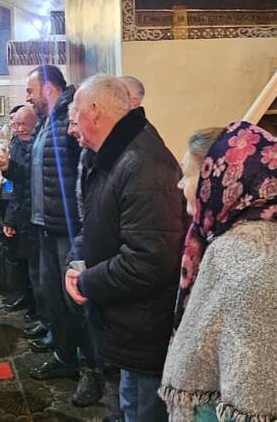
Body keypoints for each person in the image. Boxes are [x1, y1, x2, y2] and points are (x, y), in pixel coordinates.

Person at [160, 122, 277, 421]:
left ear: (221, 181)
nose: (180, 184)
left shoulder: (238, 256)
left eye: (188, 174)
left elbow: (252, 395)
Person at [63, 75, 184, 422]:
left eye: (76, 115)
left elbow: (149, 260)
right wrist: (76, 262)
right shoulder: (110, 156)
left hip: (145, 327)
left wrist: (86, 281)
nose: (71, 128)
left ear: (95, 111)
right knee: (129, 405)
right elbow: (96, 225)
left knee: (143, 409)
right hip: (125, 321)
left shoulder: (144, 163)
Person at [0, 65, 99, 406]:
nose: (28, 97)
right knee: (53, 296)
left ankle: (91, 371)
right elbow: (37, 175)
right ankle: (65, 357)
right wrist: (11, 169)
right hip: (46, 225)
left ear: (48, 88)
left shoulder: (69, 118)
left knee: (76, 301)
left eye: (30, 90)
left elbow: (85, 172)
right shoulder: (47, 123)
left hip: (67, 228)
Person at [2, 105, 40, 318]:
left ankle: (38, 308)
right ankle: (26, 297)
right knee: (21, 260)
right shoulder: (16, 144)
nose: (18, 129)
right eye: (15, 124)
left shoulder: (39, 143)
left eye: (23, 124)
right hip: (20, 210)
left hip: (37, 213)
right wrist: (9, 219)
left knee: (37, 266)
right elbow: (16, 186)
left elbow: (29, 177)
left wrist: (9, 168)